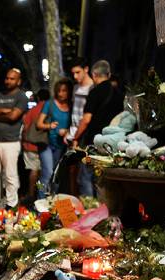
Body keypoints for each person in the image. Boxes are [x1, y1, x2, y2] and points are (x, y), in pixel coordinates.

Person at [73, 60, 123, 196]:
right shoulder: (118, 93)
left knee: (85, 177)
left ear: (94, 75)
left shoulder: (95, 92)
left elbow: (86, 119)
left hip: (94, 142)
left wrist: (75, 137)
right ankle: (103, 210)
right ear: (109, 74)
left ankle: (90, 210)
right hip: (113, 143)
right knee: (102, 179)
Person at [0, 68, 28, 209]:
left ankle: (11, 204)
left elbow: (13, 117)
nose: (8, 81)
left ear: (18, 81)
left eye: (12, 78)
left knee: (10, 175)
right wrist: (4, 110)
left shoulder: (21, 97)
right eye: (7, 78)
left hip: (11, 142)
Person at [36, 81, 71, 199]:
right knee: (47, 173)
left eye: (64, 90)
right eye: (59, 91)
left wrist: (67, 132)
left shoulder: (71, 105)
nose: (61, 93)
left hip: (61, 146)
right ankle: (40, 201)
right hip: (46, 144)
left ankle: (52, 202)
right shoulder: (49, 104)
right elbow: (39, 124)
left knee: (57, 176)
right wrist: (50, 126)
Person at [66, 57, 94, 196]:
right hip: (73, 133)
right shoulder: (76, 87)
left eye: (78, 72)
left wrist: (77, 136)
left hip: (84, 135)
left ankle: (88, 207)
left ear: (86, 69)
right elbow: (74, 113)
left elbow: (87, 118)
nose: (75, 76)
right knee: (72, 171)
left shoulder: (93, 88)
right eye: (73, 73)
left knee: (84, 174)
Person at [20, 88, 49, 203]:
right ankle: (41, 194)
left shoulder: (33, 110)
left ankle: (32, 194)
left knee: (34, 170)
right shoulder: (49, 109)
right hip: (45, 145)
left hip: (31, 145)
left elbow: (25, 126)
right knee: (43, 172)